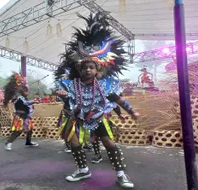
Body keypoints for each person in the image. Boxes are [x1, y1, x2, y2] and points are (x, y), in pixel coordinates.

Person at [54, 13, 139, 188]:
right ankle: (83, 170)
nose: (88, 70)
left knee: (109, 143)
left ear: (97, 68)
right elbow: (61, 94)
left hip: (98, 118)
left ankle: (121, 175)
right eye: (85, 67)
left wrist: (131, 111)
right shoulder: (72, 84)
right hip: (77, 119)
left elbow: (117, 99)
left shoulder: (104, 84)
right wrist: (61, 93)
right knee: (74, 142)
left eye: (91, 67)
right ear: (80, 68)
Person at [4, 73, 39, 151]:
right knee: (18, 130)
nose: (28, 93)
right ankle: (8, 142)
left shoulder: (23, 97)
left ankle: (28, 142)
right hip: (20, 116)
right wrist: (33, 101)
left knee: (30, 129)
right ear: (22, 91)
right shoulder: (19, 97)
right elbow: (25, 103)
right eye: (26, 91)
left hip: (26, 116)